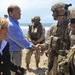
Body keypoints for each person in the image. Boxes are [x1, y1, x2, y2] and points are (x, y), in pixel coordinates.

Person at [37, 2, 71, 75]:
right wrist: (42, 46)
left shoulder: (70, 27)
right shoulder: (53, 27)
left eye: (54, 12)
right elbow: (49, 41)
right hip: (52, 60)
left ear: (61, 12)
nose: (52, 14)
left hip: (64, 63)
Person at [6, 4, 38, 75]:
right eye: (18, 12)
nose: (20, 14)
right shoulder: (11, 25)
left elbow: (20, 37)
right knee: (14, 72)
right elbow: (20, 40)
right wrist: (32, 46)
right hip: (13, 53)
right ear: (11, 13)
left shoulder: (14, 23)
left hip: (15, 52)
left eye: (20, 12)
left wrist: (28, 40)